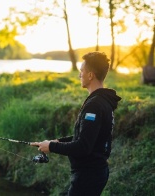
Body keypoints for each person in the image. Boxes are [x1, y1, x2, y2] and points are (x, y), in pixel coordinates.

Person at [31, 51, 122, 196]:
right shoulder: (103, 101)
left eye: (81, 71)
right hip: (94, 173)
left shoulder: (95, 105)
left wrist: (52, 146)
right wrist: (57, 141)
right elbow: (87, 136)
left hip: (88, 176)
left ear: (90, 75)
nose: (79, 75)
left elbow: (83, 147)